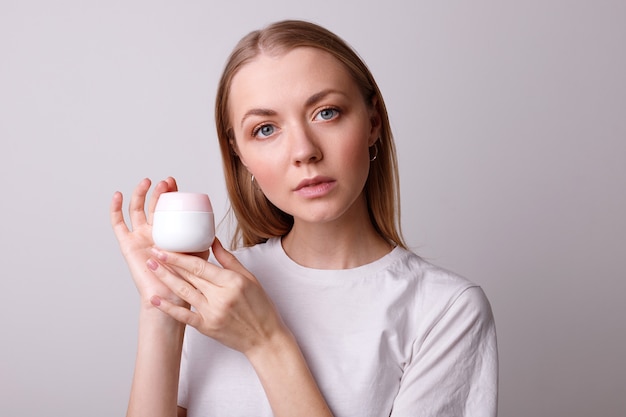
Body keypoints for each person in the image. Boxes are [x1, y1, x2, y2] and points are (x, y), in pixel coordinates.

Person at [110, 19, 498, 417]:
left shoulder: (446, 310)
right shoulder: (212, 289)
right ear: (239, 152)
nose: (304, 151)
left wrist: (267, 342)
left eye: (326, 112)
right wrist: (163, 307)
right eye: (265, 129)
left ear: (373, 123)